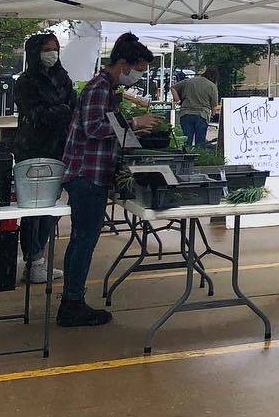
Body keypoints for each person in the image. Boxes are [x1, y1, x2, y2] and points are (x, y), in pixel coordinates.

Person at [60, 32, 161, 327]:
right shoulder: (98, 88)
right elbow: (93, 128)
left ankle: (71, 299)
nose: (140, 75)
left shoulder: (109, 88)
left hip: (92, 173)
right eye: (139, 68)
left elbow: (107, 127)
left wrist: (130, 133)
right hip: (86, 174)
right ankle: (72, 304)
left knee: (82, 239)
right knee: (84, 240)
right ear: (123, 64)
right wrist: (134, 122)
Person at [14, 32, 75, 284]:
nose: (53, 54)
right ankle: (34, 259)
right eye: (48, 49)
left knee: (52, 208)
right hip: (33, 151)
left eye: (56, 49)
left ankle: (38, 257)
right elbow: (36, 114)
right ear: (36, 52)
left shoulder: (63, 77)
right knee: (33, 210)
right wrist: (62, 110)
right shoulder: (25, 82)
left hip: (59, 149)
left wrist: (63, 111)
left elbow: (74, 105)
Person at [173, 66, 219, 148]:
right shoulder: (212, 86)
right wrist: (213, 114)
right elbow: (214, 106)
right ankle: (198, 158)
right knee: (200, 143)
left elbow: (173, 87)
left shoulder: (189, 81)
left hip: (185, 113)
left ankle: (186, 157)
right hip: (202, 114)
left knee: (186, 140)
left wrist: (178, 100)